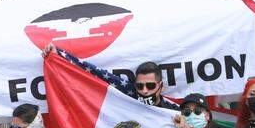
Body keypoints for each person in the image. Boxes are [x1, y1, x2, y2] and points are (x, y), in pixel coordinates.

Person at [49, 45, 179, 110]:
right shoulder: (126, 96)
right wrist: (58, 56)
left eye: (150, 86)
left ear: (161, 86)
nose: (144, 91)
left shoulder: (173, 112)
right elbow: (95, 74)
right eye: (140, 86)